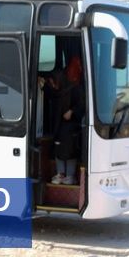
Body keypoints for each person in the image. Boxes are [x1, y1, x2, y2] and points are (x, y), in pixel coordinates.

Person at [45, 56, 84, 185]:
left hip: (71, 128)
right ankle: (61, 174)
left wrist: (72, 111)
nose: (53, 85)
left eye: (53, 82)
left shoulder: (74, 89)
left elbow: (82, 105)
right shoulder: (56, 91)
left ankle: (70, 176)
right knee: (58, 150)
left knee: (70, 151)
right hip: (59, 127)